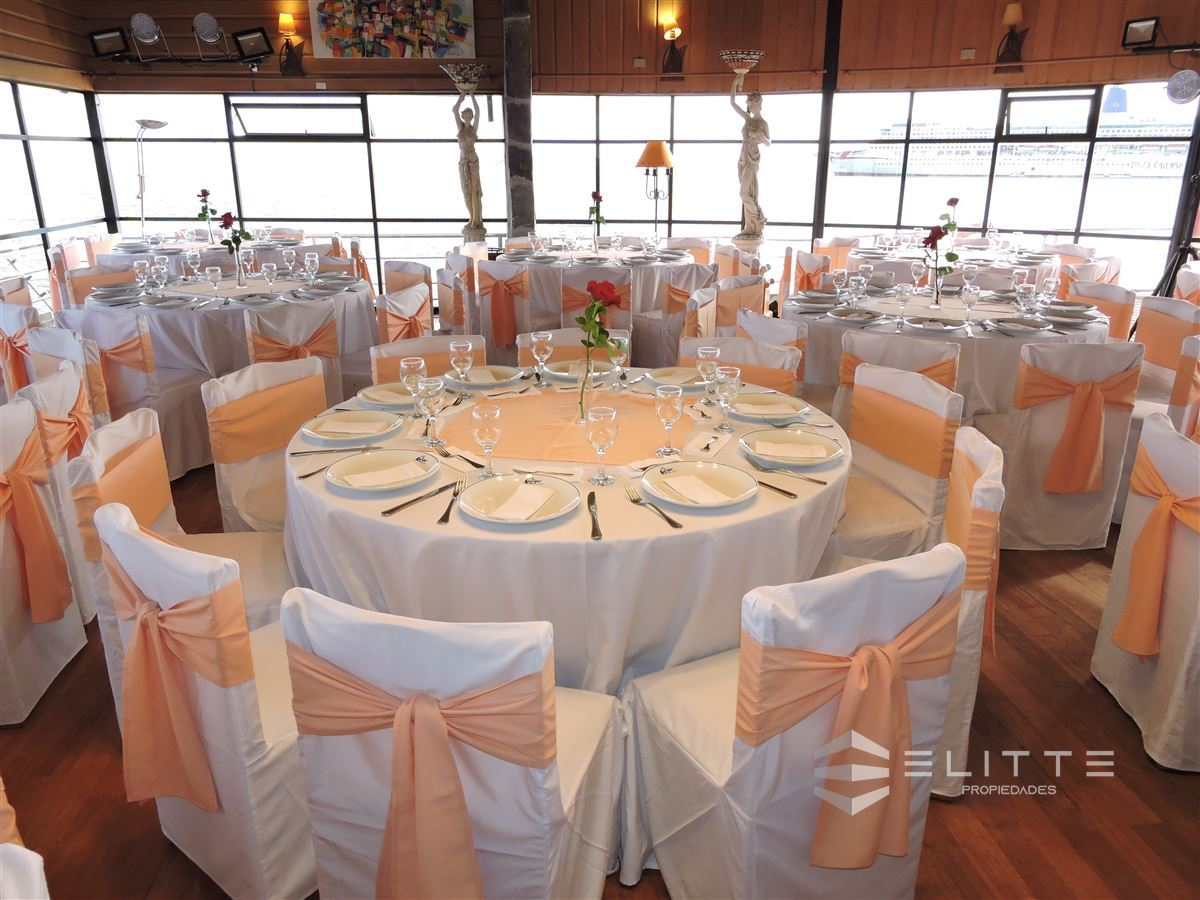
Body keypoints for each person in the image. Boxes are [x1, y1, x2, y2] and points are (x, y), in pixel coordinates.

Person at [729, 78, 770, 242]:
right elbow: (732, 103)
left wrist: (761, 136)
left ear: (758, 104)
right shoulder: (747, 119)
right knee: (748, 193)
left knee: (745, 193)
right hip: (743, 157)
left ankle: (758, 218)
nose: (749, 107)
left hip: (753, 159)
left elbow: (769, 143)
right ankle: (750, 227)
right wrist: (735, 81)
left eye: (751, 104)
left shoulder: (763, 123)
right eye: (748, 104)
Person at [453, 92, 484, 237]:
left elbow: (478, 111)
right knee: (466, 190)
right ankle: (472, 216)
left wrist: (472, 95)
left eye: (469, 115)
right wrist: (462, 95)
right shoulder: (460, 128)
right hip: (463, 161)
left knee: (474, 190)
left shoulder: (473, 129)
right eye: (465, 114)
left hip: (473, 161)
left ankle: (475, 219)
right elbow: (454, 109)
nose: (467, 116)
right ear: (462, 116)